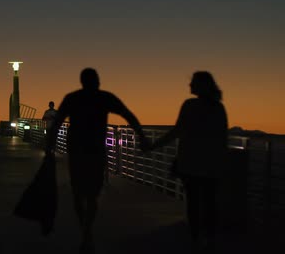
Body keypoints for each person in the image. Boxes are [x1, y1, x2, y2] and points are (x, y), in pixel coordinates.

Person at [46, 68, 147, 254]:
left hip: (77, 151)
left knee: (78, 193)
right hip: (95, 151)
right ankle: (87, 232)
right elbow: (128, 115)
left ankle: (85, 232)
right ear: (96, 81)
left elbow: (57, 122)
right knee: (92, 194)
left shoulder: (72, 98)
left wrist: (49, 146)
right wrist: (141, 135)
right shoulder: (104, 97)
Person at [142, 71, 228, 251]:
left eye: (193, 83)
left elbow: (176, 132)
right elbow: (222, 138)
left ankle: (195, 239)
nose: (190, 86)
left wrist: (153, 146)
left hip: (191, 164)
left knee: (193, 203)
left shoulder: (190, 105)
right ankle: (210, 239)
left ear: (201, 85)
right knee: (210, 203)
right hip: (211, 165)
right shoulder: (218, 108)